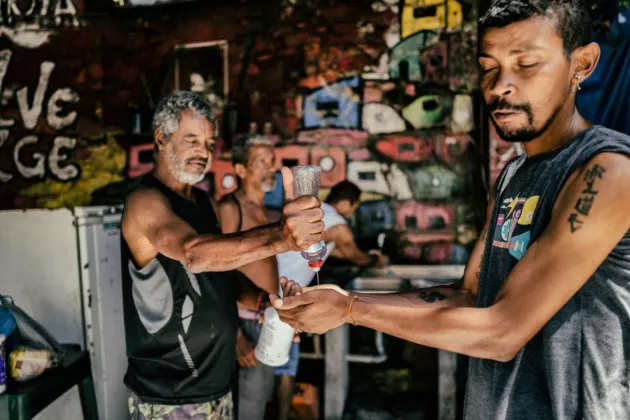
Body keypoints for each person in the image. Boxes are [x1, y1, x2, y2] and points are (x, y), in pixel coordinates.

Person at [271, 1, 630, 419]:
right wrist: (341, 299)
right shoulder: (513, 175)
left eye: (527, 64)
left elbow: (503, 331)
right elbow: (468, 296)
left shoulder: (608, 172)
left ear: (581, 64)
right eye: (488, 67)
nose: (500, 86)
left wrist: (351, 311)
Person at [120, 91, 324, 419]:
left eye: (209, 143)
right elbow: (193, 254)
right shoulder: (144, 202)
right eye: (192, 140)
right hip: (170, 392)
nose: (204, 152)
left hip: (217, 381)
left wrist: (265, 305)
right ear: (161, 138)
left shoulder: (205, 203)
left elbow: (221, 275)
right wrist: (280, 237)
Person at [273, 180, 388, 420]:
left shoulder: (316, 215)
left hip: (271, 288)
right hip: (282, 295)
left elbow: (334, 250)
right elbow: (354, 255)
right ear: (346, 203)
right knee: (286, 368)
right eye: (353, 207)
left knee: (275, 364)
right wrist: (374, 260)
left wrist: (365, 255)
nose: (352, 214)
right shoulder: (337, 223)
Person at [217, 134, 280, 420]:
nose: (270, 168)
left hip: (266, 320)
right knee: (247, 407)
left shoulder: (268, 212)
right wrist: (236, 336)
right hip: (243, 322)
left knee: (260, 401)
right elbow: (218, 272)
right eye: (260, 162)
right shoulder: (230, 209)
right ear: (240, 169)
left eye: (272, 161)